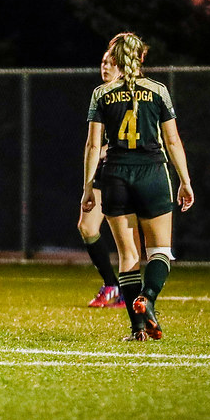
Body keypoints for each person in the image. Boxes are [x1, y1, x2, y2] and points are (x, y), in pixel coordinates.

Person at [82, 32, 193, 341]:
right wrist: (184, 180)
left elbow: (93, 146)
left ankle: (137, 329)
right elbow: (172, 140)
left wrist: (88, 188)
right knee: (160, 251)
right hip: (153, 173)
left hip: (115, 175)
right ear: (141, 58)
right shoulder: (158, 91)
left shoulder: (102, 94)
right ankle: (150, 297)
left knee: (128, 256)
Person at [80, 50, 128, 309]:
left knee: (128, 238)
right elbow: (94, 142)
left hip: (128, 171)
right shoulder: (101, 95)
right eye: (102, 62)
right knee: (87, 227)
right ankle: (112, 285)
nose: (105, 67)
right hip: (104, 170)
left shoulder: (135, 94)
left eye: (111, 63)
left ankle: (136, 294)